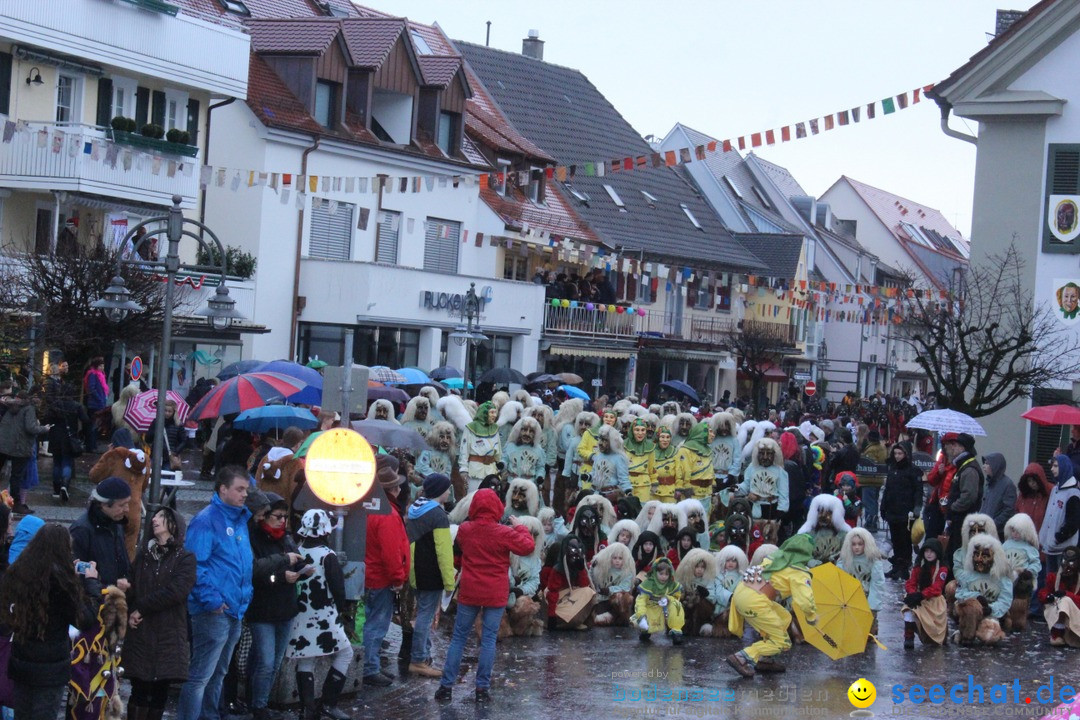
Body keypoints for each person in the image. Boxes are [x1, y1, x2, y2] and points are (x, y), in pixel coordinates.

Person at [435, 488, 534, 704]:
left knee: (459, 638)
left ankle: (445, 687)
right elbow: (527, 547)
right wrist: (520, 527)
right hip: (495, 591)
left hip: (470, 590)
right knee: (488, 640)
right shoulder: (503, 532)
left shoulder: (465, 530)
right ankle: (482, 689)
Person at [3, 525, 102, 719]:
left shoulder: (18, 574)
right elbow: (84, 619)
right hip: (50, 668)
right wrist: (91, 584)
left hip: (21, 662)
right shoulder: (61, 583)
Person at [177, 466, 253, 720]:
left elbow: (241, 562)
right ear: (223, 489)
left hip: (234, 608)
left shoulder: (240, 519)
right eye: (239, 489)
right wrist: (212, 600)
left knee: (219, 673)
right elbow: (195, 565)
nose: (245, 494)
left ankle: (210, 715)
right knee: (200, 675)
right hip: (213, 610)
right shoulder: (206, 520)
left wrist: (245, 596)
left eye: (246, 489)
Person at [124, 507, 197, 720]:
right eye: (154, 516)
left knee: (159, 692)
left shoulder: (185, 558)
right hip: (142, 634)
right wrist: (129, 604)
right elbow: (133, 587)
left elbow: (176, 591)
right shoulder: (143, 556)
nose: (154, 519)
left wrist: (141, 608)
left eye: (161, 516)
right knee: (139, 689)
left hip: (168, 634)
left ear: (174, 525)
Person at [287, 510, 352, 720]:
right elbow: (338, 588)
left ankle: (307, 709)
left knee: (306, 659)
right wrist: (343, 610)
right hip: (325, 614)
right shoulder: (327, 555)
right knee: (345, 653)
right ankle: (329, 703)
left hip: (301, 614)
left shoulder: (296, 550)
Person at [726, 533, 818, 678]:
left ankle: (765, 659)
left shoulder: (773, 557)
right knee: (782, 642)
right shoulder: (800, 572)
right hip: (755, 601)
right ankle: (742, 657)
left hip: (742, 592)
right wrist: (811, 617)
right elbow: (805, 601)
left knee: (784, 617)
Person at [247, 493, 304, 720]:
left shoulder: (285, 537)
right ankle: (258, 705)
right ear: (264, 516)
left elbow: (297, 560)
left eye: (285, 517)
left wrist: (301, 571)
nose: (282, 521)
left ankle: (259, 700)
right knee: (266, 662)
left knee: (273, 661)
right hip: (262, 610)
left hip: (285, 608)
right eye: (278, 517)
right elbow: (255, 573)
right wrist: (281, 577)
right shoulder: (254, 538)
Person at [362, 455, 410, 687]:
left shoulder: (370, 509)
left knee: (370, 622)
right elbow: (391, 553)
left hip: (370, 575)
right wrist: (398, 578)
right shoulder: (388, 515)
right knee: (376, 625)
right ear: (393, 490)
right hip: (382, 579)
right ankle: (370, 669)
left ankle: (371, 666)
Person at [405, 473, 455, 678]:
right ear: (439, 492)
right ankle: (417, 660)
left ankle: (423, 655)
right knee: (425, 616)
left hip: (415, 572)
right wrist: (449, 582)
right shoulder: (438, 516)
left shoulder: (415, 509)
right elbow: (444, 552)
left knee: (421, 613)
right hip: (431, 574)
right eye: (447, 489)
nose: (450, 492)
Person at [69, 476, 132, 589]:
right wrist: (109, 585)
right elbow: (75, 571)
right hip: (95, 598)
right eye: (122, 505)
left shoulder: (116, 522)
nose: (127, 509)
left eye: (128, 503)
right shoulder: (81, 530)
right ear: (104, 505)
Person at [881, 441, 923, 580]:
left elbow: (918, 491)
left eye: (900, 453)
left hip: (906, 513)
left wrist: (917, 508)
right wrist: (883, 506)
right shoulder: (892, 468)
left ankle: (904, 567)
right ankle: (897, 566)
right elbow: (887, 490)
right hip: (893, 511)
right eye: (895, 453)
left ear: (906, 454)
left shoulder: (913, 470)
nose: (897, 456)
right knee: (896, 540)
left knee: (905, 541)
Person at [941, 432, 984, 564]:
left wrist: (952, 507)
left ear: (963, 448)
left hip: (963, 521)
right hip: (959, 520)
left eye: (955, 445)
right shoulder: (963, 466)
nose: (951, 448)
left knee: (958, 555)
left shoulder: (969, 469)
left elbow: (968, 497)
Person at [902, 539, 950, 649]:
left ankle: (936, 635)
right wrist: (912, 594)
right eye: (926, 551)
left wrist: (921, 595)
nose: (929, 554)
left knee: (935, 636)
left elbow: (937, 587)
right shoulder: (919, 566)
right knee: (908, 609)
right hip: (919, 598)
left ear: (937, 552)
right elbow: (911, 582)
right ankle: (908, 637)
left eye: (932, 551)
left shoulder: (942, 568)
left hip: (934, 600)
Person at [1038, 453, 1080, 574]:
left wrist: (1058, 537)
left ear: (1064, 467)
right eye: (1052, 466)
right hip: (1050, 547)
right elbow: (1049, 516)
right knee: (1049, 582)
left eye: (1056, 466)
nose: (1052, 469)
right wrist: (1043, 537)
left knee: (1061, 583)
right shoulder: (1055, 490)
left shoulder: (1073, 494)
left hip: (1063, 549)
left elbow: (1073, 523)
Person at [633, 556, 685, 645]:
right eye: (661, 573)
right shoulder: (648, 584)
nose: (664, 577)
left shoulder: (671, 584)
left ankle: (676, 632)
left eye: (666, 574)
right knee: (643, 622)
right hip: (651, 608)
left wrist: (668, 598)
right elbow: (640, 601)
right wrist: (641, 617)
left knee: (676, 605)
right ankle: (645, 631)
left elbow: (677, 596)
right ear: (654, 572)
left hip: (664, 609)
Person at [458, 401, 502, 494]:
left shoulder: (495, 428)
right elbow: (464, 450)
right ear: (484, 413)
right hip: (475, 471)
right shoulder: (471, 427)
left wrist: (500, 466)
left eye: (495, 412)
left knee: (490, 498)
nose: (494, 415)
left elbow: (498, 450)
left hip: (491, 470)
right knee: (473, 497)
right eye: (491, 412)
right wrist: (463, 469)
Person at [979, 453, 1017, 539]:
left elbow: (1008, 510)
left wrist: (993, 524)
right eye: (984, 463)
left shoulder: (1008, 485)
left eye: (987, 463)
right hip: (985, 530)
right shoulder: (988, 484)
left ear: (995, 465)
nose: (984, 466)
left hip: (999, 532)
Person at [82, 356, 109, 452]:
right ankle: (90, 445)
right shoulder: (93, 375)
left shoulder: (100, 375)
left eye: (103, 366)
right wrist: (99, 399)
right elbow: (91, 389)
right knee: (92, 425)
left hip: (99, 403)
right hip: (94, 404)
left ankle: (93, 444)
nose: (102, 368)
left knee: (96, 425)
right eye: (100, 366)